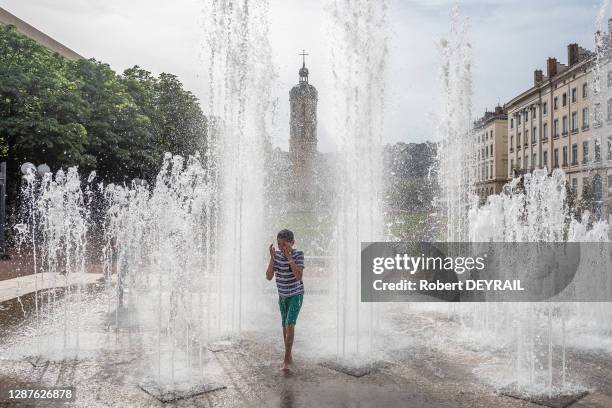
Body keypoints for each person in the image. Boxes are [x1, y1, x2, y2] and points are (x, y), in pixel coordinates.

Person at [266, 229, 304, 372]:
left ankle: (286, 360)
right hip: (282, 296)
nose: (282, 248)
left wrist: (289, 258)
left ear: (292, 243)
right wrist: (272, 258)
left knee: (289, 325)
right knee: (284, 327)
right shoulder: (276, 257)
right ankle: (289, 357)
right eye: (279, 244)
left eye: (285, 245)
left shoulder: (299, 255)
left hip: (296, 295)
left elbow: (299, 276)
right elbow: (269, 276)